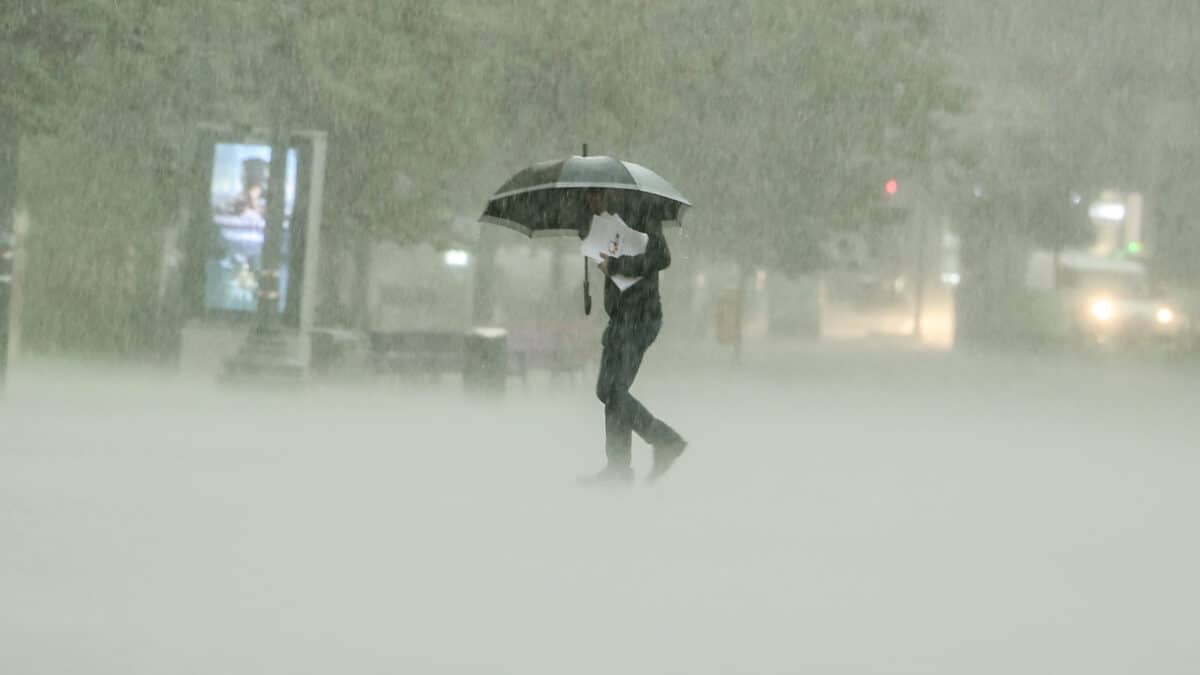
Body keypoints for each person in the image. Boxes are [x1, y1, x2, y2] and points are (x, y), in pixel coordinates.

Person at [574, 188, 687, 485]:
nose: (593, 206)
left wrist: (616, 265)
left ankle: (661, 441)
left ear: (608, 192)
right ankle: (620, 468)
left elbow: (661, 256)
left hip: (640, 317)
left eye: (594, 199)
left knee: (613, 390)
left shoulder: (641, 212)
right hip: (621, 318)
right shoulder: (604, 222)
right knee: (608, 391)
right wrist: (592, 244)